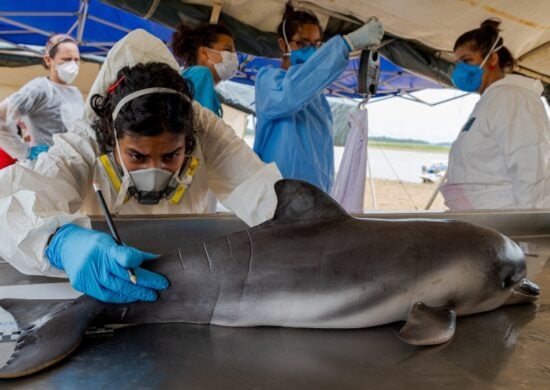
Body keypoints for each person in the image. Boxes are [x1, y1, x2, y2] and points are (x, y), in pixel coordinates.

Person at [0, 29, 281, 304]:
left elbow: (263, 193)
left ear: (189, 139)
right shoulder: (87, 141)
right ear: (111, 138)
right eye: (137, 156)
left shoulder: (205, 131)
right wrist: (58, 243)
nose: (154, 170)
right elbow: (9, 208)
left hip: (191, 285)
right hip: (103, 291)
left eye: (171, 156)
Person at [253, 3, 384, 193]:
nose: (312, 51)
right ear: (283, 44)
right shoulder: (269, 80)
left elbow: (322, 160)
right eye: (303, 43)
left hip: (316, 194)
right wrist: (346, 44)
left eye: (316, 45)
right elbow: (290, 95)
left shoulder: (317, 99)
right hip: (277, 195)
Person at [441, 19, 550, 210]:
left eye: (467, 60)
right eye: (458, 63)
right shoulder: (492, 100)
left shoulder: (514, 98)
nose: (460, 69)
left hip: (506, 224)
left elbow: (531, 167)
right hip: (484, 221)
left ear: (492, 59)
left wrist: (529, 229)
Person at [0, 34, 84, 163]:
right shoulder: (40, 89)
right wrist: (24, 152)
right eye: (66, 59)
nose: (73, 65)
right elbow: (1, 116)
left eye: (76, 59)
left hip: (72, 168)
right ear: (48, 60)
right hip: (44, 169)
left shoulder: (75, 93)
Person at [172, 23, 238, 116]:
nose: (234, 57)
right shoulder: (201, 74)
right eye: (227, 50)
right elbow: (200, 125)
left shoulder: (193, 76)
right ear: (204, 52)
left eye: (234, 52)